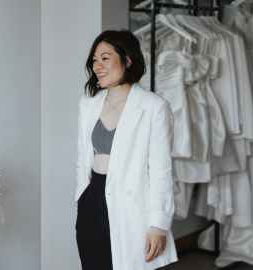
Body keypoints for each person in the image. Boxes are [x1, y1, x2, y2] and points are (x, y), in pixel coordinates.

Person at [74, 30, 178, 270]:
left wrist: (158, 225)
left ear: (128, 60)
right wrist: (82, 197)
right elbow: (82, 160)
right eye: (94, 60)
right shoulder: (88, 105)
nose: (97, 66)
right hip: (93, 202)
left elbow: (161, 170)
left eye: (105, 58)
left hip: (132, 206)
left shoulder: (154, 107)